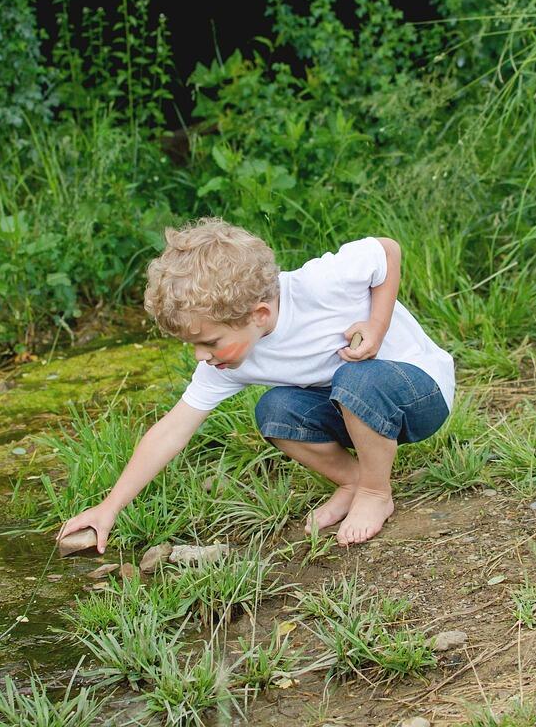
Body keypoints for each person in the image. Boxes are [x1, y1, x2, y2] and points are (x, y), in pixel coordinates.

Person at [57, 217, 455, 551]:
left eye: (208, 342)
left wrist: (377, 325)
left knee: (355, 379)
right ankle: (354, 481)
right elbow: (170, 432)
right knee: (274, 410)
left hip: (420, 391)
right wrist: (109, 507)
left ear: (259, 314)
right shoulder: (229, 362)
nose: (200, 356)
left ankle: (375, 492)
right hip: (351, 404)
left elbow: (386, 250)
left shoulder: (320, 284)